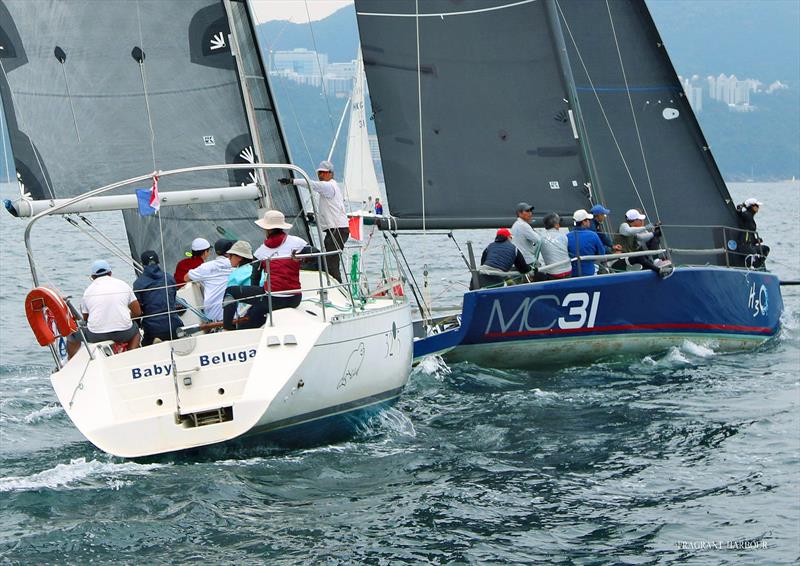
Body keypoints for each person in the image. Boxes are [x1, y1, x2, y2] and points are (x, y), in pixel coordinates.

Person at [279, 160, 349, 282]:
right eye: (319, 173)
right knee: (330, 260)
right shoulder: (330, 187)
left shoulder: (329, 186)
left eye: (324, 173)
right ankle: (336, 284)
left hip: (338, 230)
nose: (321, 175)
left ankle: (339, 287)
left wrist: (292, 181)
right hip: (335, 230)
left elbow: (311, 184)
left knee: (331, 262)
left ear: (330, 174)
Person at [66, 260, 141, 359]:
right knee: (136, 331)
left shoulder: (88, 291)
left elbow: (86, 319)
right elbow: (137, 312)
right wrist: (126, 318)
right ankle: (130, 356)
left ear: (92, 277)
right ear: (110, 273)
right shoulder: (123, 284)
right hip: (123, 333)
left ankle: (70, 361)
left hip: (97, 335)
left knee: (72, 335)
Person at [253, 209, 309, 311]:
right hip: (295, 298)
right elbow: (315, 253)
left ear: (267, 230)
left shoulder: (260, 252)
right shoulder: (298, 242)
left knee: (232, 291)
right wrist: (301, 259)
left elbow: (254, 279)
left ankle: (228, 326)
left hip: (273, 300)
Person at [133, 250, 183, 346]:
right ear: (158, 262)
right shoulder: (169, 278)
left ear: (142, 264)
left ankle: (156, 341)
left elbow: (138, 310)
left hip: (153, 329)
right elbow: (172, 298)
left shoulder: (138, 284)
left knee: (144, 345)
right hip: (174, 324)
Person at [223, 240, 268, 330]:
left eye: (231, 255)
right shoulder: (258, 270)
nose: (229, 258)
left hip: (247, 314)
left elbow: (230, 300)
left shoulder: (235, 275)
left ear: (239, 257)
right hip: (264, 309)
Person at [185, 239, 233, 321]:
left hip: (213, 316)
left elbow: (186, 278)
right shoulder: (238, 265)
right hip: (235, 314)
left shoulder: (206, 267)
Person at [613, 209, 669, 275]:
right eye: (640, 220)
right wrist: (645, 227)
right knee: (638, 255)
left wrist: (654, 233)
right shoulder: (623, 226)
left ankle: (656, 262)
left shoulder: (633, 230)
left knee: (646, 245)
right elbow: (628, 231)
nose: (642, 221)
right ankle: (659, 270)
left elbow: (641, 237)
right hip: (619, 259)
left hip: (628, 257)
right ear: (635, 220)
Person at [566, 209, 606, 277]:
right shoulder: (593, 235)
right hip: (589, 273)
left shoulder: (567, 236)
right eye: (588, 220)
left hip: (572, 274)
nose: (589, 222)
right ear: (584, 222)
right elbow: (602, 253)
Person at [736, 197, 770, 268]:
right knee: (756, 258)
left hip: (750, 245)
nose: (758, 207)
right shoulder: (747, 214)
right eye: (757, 206)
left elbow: (751, 234)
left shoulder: (750, 217)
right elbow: (740, 213)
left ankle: (759, 268)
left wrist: (756, 240)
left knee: (765, 249)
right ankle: (756, 268)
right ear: (751, 206)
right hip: (744, 245)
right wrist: (741, 207)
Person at [538, 213, 572, 280]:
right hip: (568, 271)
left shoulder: (541, 238)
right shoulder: (564, 236)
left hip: (553, 273)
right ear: (556, 225)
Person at [510, 202, 540, 268]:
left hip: (519, 260)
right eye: (527, 211)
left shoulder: (515, 224)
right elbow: (539, 240)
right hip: (528, 261)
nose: (530, 213)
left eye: (530, 211)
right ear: (519, 213)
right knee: (540, 270)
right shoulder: (524, 225)